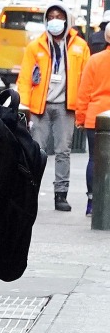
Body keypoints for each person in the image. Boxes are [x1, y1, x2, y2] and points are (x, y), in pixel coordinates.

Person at [17, 2, 91, 211]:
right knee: (35, 151)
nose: (55, 20)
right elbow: (24, 78)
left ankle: (61, 195)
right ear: (46, 20)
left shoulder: (79, 47)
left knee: (63, 151)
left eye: (59, 16)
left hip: (66, 107)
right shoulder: (36, 46)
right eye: (51, 17)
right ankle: (30, 192)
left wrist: (82, 109)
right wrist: (25, 108)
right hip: (40, 106)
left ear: (66, 19)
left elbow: (85, 79)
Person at [75, 42, 110, 215]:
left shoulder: (95, 60)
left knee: (94, 159)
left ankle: (92, 201)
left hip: (95, 116)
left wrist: (80, 118)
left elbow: (84, 91)